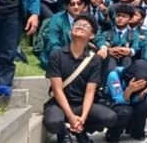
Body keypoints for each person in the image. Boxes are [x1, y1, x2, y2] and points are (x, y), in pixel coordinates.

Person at [43, 14, 117, 143]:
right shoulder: (56, 55)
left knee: (110, 117)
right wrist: (71, 116)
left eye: (85, 26)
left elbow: (90, 92)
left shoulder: (94, 60)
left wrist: (82, 118)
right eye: (77, 24)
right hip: (59, 104)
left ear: (92, 35)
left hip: (81, 104)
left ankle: (80, 130)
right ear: (70, 30)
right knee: (53, 122)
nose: (80, 27)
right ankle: (63, 132)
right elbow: (57, 90)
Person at [105, 59, 147, 143]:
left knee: (144, 106)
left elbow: (135, 99)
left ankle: (136, 132)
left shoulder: (143, 78)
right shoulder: (114, 75)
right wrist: (129, 90)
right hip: (112, 101)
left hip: (129, 100)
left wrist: (143, 93)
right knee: (126, 111)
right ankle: (113, 133)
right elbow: (118, 99)